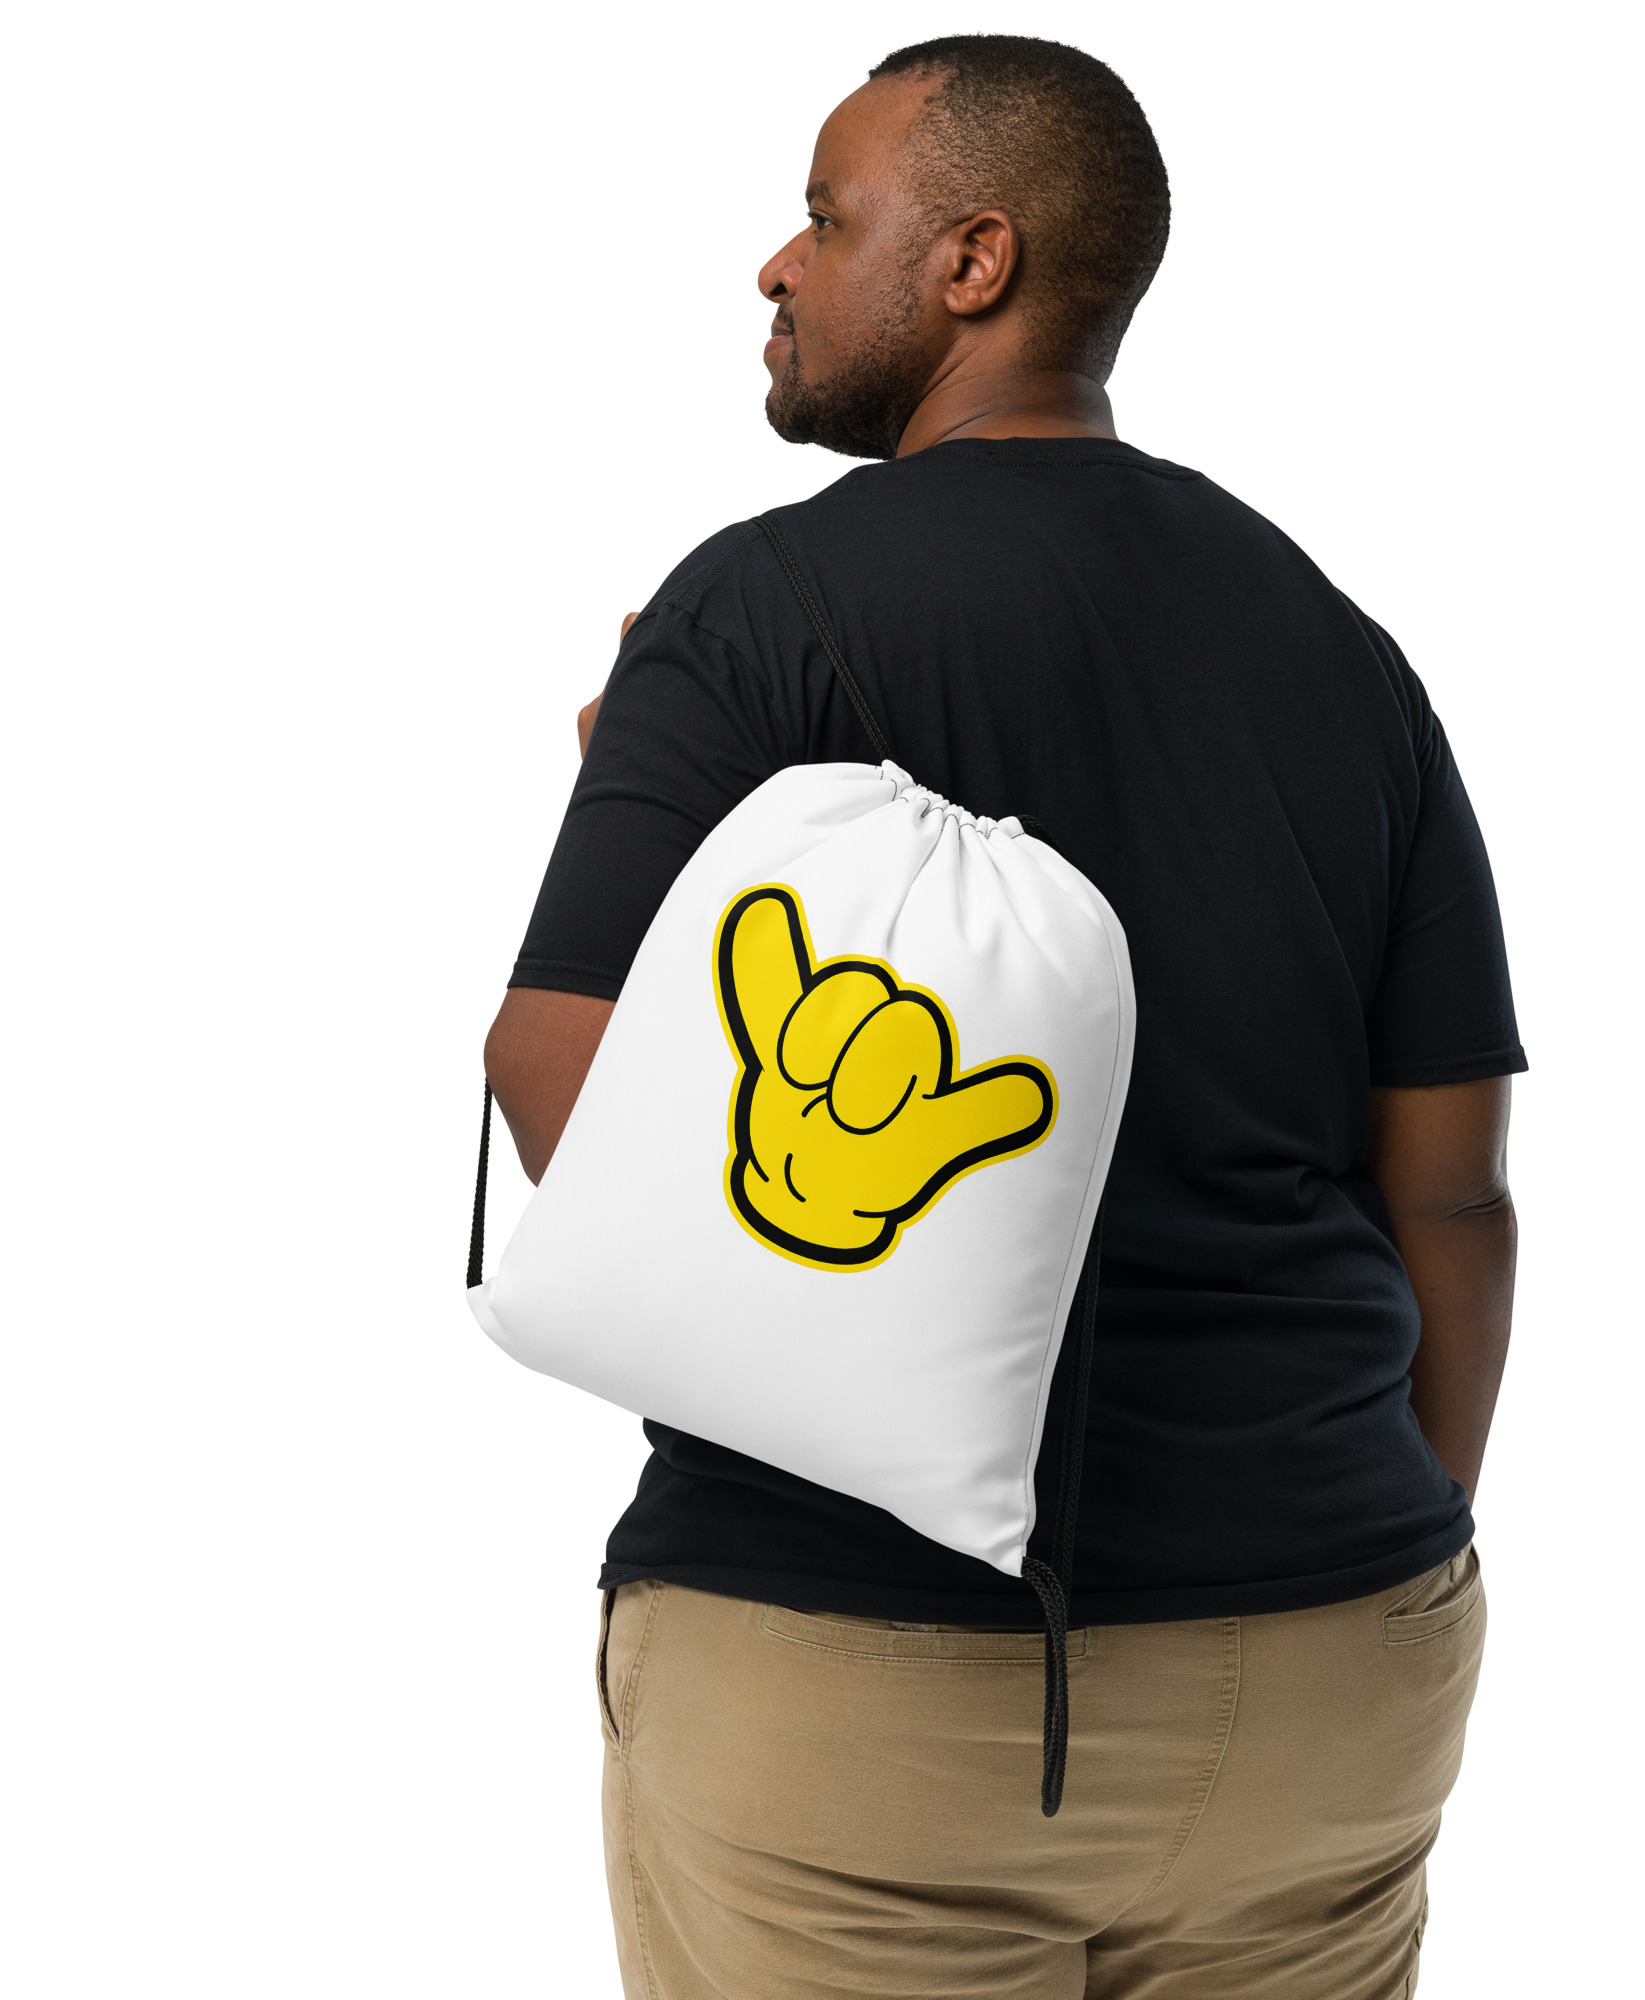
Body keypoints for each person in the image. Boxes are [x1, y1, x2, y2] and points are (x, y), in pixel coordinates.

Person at [483, 33, 1523, 2000]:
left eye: (823, 217)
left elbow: (562, 1091)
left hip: (863, 1693)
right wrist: (1354, 1557)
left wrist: (652, 822)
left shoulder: (762, 608)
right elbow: (1452, 1196)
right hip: (1331, 1678)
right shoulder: (1342, 650)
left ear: (973, 262)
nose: (776, 265)